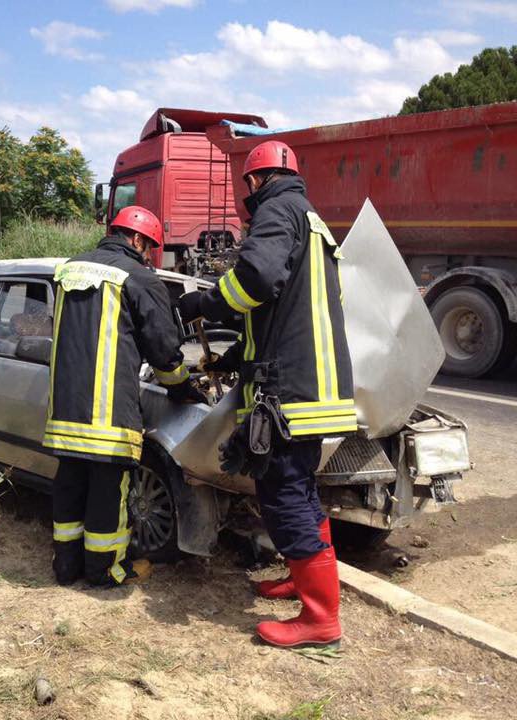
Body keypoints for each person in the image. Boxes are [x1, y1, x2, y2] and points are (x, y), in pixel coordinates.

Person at [178, 140, 356, 649]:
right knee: (298, 491)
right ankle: (304, 585)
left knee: (283, 493)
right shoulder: (311, 218)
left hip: (292, 391)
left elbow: (253, 280)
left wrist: (205, 304)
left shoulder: (278, 210)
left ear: (255, 183)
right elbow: (283, 311)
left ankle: (319, 618)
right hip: (314, 381)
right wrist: (237, 359)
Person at [44, 205, 206, 588]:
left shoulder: (68, 270)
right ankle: (105, 572)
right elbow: (164, 351)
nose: (149, 254)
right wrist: (183, 388)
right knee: (106, 494)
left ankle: (66, 567)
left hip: (64, 408)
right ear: (136, 240)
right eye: (149, 247)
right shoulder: (138, 279)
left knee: (69, 486)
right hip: (108, 414)